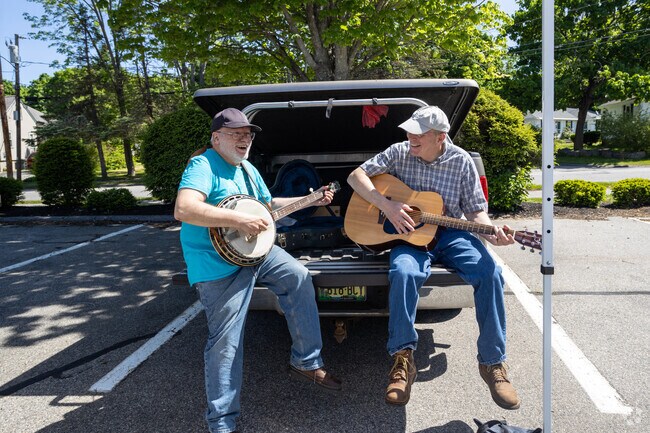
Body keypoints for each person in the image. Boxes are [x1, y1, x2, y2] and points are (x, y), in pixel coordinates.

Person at [174, 108, 342, 433]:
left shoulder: (248, 168)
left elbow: (268, 206)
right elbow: (184, 208)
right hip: (217, 262)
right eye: (236, 133)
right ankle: (221, 423)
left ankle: (306, 361)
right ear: (216, 138)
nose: (244, 139)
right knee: (226, 341)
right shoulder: (203, 165)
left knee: (298, 276)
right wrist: (238, 220)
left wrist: (309, 200)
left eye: (248, 133)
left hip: (256, 252)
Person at [347, 106, 520, 410]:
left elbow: (476, 211)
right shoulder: (399, 151)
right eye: (410, 131)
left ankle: (493, 363)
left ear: (441, 137)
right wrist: (385, 205)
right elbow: (355, 176)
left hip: (450, 234)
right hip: (409, 236)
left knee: (490, 272)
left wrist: (492, 232)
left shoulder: (461, 161)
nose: (410, 136)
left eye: (419, 133)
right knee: (403, 272)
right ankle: (403, 360)